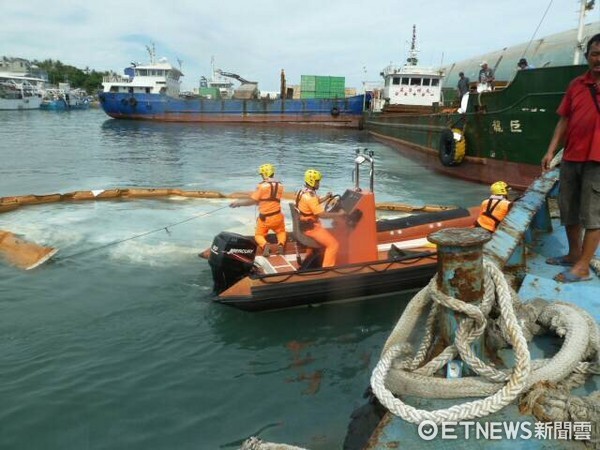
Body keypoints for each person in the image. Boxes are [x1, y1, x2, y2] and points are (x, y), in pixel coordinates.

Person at [541, 33, 600, 283]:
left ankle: (583, 267)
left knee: (593, 213)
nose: (599, 59)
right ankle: (574, 254)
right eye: (596, 53)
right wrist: (551, 150)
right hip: (572, 156)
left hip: (597, 161)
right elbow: (564, 119)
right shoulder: (576, 84)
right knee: (569, 208)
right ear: (587, 56)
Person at [230, 163, 286, 257]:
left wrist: (238, 203)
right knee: (281, 232)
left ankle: (265, 245)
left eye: (261, 174)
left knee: (259, 235)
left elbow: (253, 201)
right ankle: (281, 244)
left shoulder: (261, 186)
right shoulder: (280, 186)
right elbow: (269, 198)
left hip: (265, 218)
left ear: (264, 174)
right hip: (278, 216)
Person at [295, 169, 346, 267]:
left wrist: (326, 197)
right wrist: (339, 214)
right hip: (312, 227)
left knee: (330, 225)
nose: (319, 183)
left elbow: (314, 203)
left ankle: (309, 258)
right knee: (334, 244)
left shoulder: (302, 192)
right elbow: (322, 215)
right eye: (317, 181)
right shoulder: (311, 197)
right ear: (312, 181)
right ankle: (327, 269)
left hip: (304, 224)